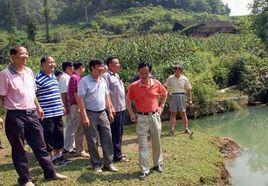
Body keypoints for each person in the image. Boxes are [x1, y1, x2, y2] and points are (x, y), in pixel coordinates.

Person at [0, 46, 67, 186]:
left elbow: (32, 93)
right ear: (13, 56)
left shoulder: (29, 71)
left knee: (40, 146)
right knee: (19, 148)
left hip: (32, 113)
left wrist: (38, 107)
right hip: (15, 116)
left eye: (27, 53)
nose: (26, 56)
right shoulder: (5, 74)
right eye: (22, 53)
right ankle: (25, 180)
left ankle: (51, 173)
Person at [126, 62, 167, 180]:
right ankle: (144, 169)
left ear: (150, 72)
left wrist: (161, 107)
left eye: (146, 73)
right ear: (138, 72)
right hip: (141, 117)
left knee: (156, 141)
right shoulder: (134, 86)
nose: (143, 75)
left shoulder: (157, 84)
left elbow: (164, 93)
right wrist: (131, 113)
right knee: (142, 144)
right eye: (141, 73)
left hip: (154, 116)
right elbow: (127, 100)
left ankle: (158, 164)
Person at [77, 59, 118, 173]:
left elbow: (107, 97)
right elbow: (80, 99)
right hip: (90, 113)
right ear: (92, 67)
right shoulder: (84, 81)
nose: (102, 69)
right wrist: (84, 116)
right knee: (92, 140)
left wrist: (110, 111)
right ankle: (96, 164)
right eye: (100, 67)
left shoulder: (103, 81)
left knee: (107, 138)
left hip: (103, 113)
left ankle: (108, 163)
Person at [35, 55, 70, 166]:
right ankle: (50, 157)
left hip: (57, 111)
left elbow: (56, 93)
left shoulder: (53, 76)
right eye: (50, 62)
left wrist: (62, 105)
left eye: (53, 62)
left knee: (59, 133)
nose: (53, 64)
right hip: (46, 113)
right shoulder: (37, 78)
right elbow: (33, 95)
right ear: (43, 64)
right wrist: (38, 108)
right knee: (48, 135)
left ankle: (58, 155)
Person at [102, 57, 128, 162]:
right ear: (109, 65)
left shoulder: (116, 75)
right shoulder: (106, 76)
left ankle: (118, 152)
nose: (118, 65)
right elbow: (106, 93)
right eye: (116, 64)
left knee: (120, 131)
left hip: (121, 108)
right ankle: (116, 155)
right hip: (114, 109)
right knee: (115, 132)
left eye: (118, 63)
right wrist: (110, 108)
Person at [68, 62, 89, 157]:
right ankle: (79, 150)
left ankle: (82, 148)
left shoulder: (76, 78)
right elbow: (77, 94)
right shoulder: (75, 78)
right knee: (79, 128)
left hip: (78, 105)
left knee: (82, 127)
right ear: (81, 68)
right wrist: (81, 107)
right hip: (77, 106)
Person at [164, 64, 192, 136]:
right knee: (173, 113)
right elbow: (164, 87)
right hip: (173, 96)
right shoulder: (170, 78)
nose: (177, 71)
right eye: (175, 69)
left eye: (178, 70)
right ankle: (172, 130)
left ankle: (186, 129)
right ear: (174, 70)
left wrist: (190, 99)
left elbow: (189, 89)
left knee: (183, 113)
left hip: (182, 95)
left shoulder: (185, 78)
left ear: (181, 70)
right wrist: (168, 94)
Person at [58, 62, 76, 154]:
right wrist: (65, 106)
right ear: (68, 68)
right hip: (68, 103)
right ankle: (67, 147)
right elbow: (63, 94)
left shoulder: (67, 77)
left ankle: (71, 145)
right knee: (70, 125)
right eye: (73, 67)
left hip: (70, 102)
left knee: (72, 125)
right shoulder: (65, 78)